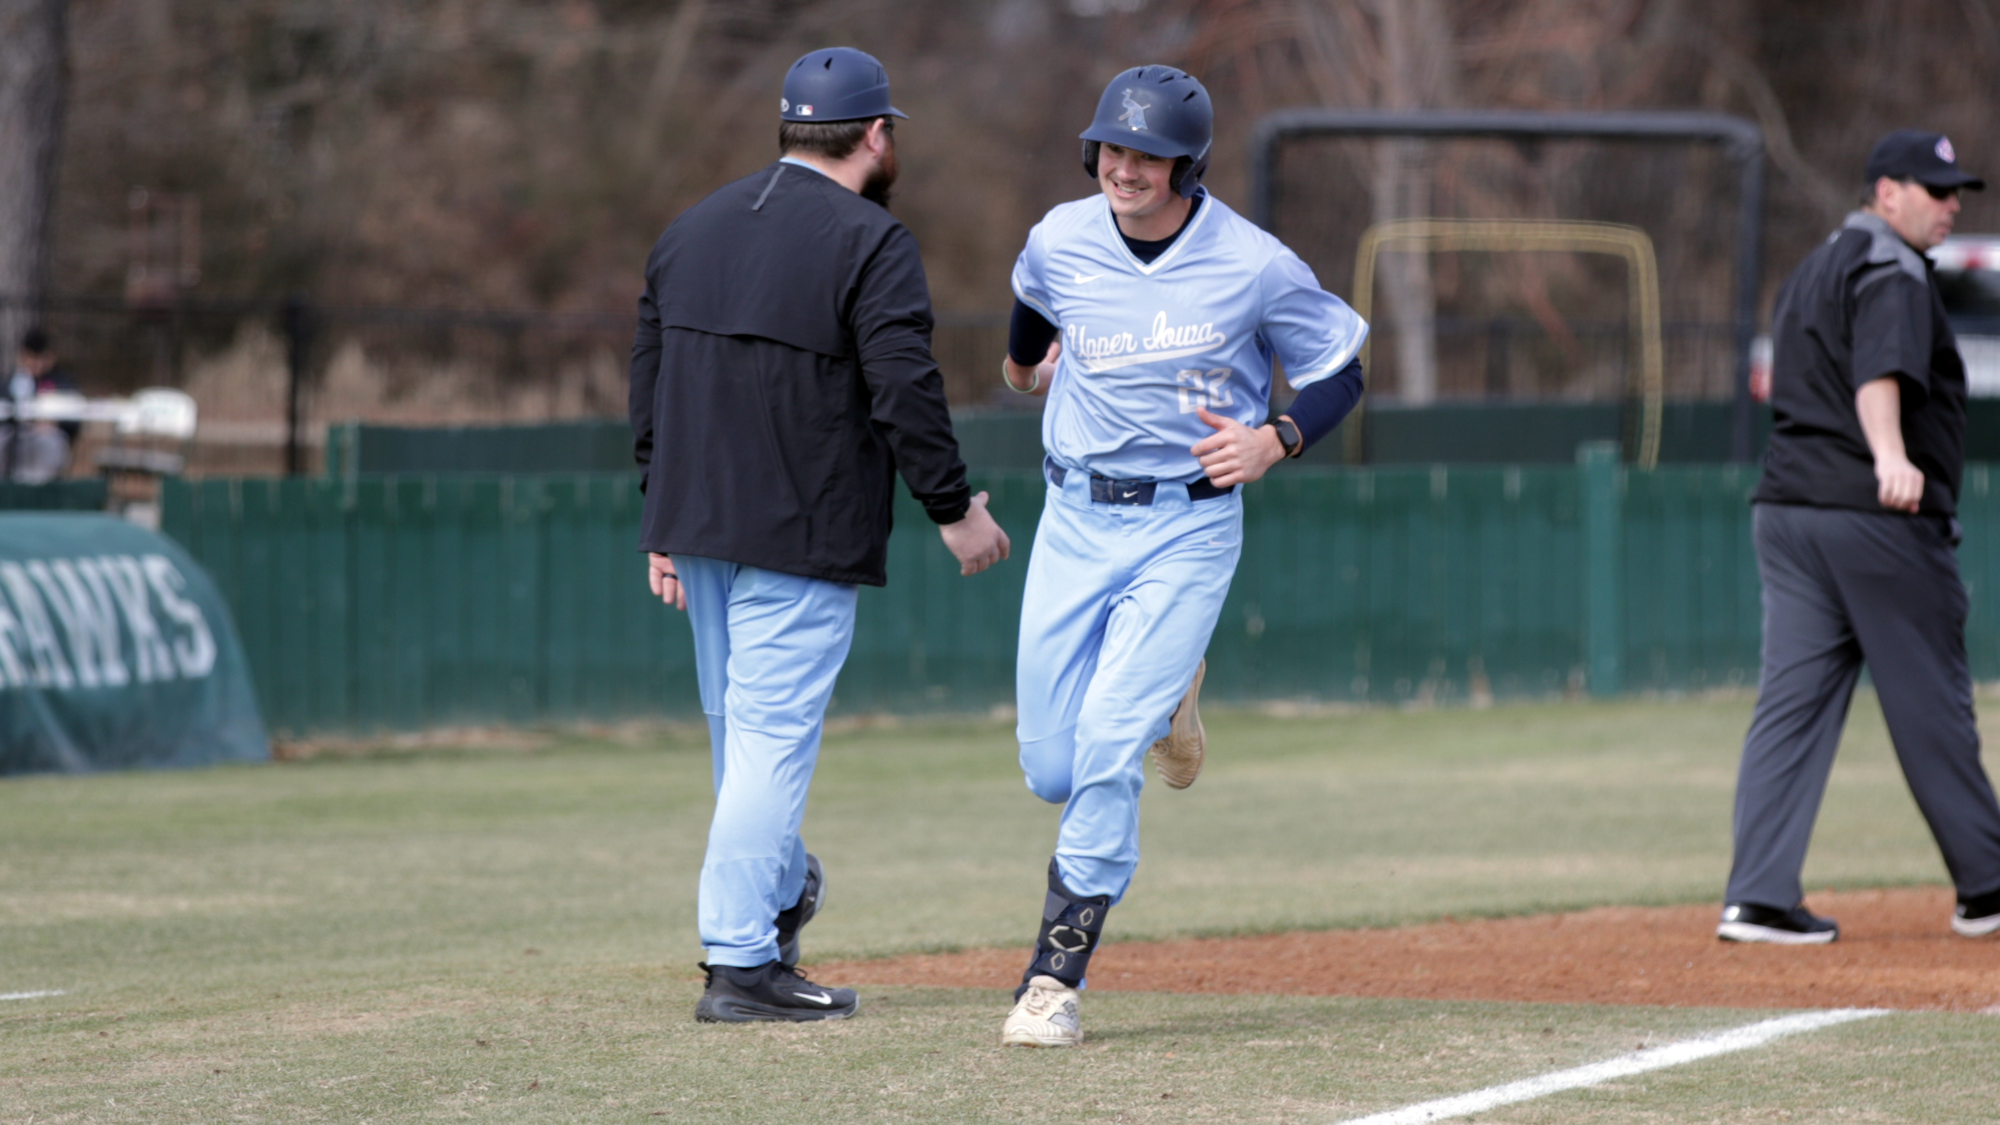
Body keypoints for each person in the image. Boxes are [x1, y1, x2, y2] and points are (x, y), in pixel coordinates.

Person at [627, 46, 1011, 1023]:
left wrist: (657, 515)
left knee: (737, 744)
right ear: (875, 134)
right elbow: (904, 389)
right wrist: (954, 509)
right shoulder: (870, 240)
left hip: (698, 523)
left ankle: (781, 891)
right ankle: (739, 965)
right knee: (763, 745)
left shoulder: (690, 228)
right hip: (797, 529)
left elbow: (649, 381)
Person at [994, 65, 1368, 1047]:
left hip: (1185, 525)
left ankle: (1052, 980)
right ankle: (1175, 696)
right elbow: (1030, 319)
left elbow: (1338, 369)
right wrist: (1022, 366)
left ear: (1185, 163)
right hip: (1072, 516)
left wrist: (1274, 440)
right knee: (1050, 767)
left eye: (1145, 152)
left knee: (1107, 747)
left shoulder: (1250, 263)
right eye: (1112, 148)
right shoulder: (1059, 236)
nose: (1123, 166)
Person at [1721, 129, 2000, 944]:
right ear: (1886, 192)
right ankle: (1988, 883)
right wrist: (1890, 456)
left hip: (1788, 511)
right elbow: (1878, 372)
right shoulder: (1891, 269)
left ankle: (1758, 895)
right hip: (1870, 517)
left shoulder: (1812, 267)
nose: (1951, 205)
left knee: (1790, 706)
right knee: (1932, 700)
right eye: (1936, 189)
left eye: (1957, 192)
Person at [3, 327, 80, 483]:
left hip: (45, 439)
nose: (38, 364)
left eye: (43, 359)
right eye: (33, 358)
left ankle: (41, 493)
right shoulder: (13, 380)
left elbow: (74, 417)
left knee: (49, 443)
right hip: (15, 435)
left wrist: (54, 423)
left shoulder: (61, 381)